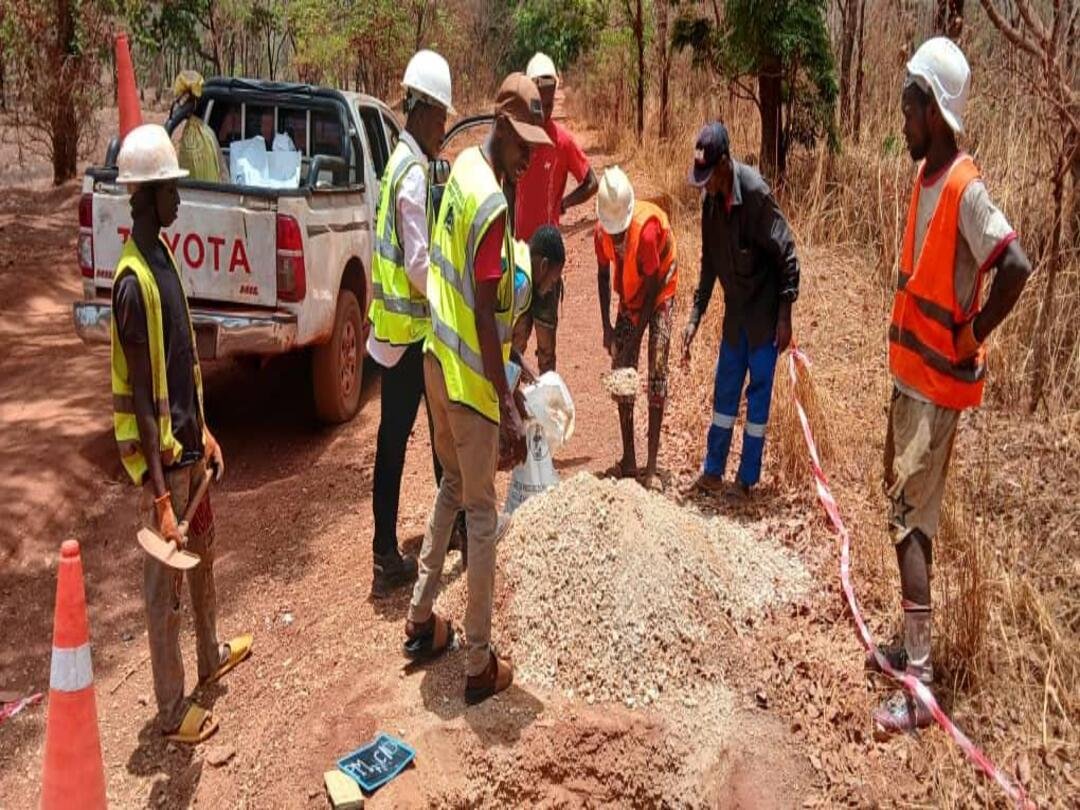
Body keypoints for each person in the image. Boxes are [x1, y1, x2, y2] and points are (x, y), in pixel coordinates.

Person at [870, 38, 1031, 733]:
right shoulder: (926, 175)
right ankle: (909, 649)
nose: (901, 119)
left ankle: (922, 684)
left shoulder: (965, 188)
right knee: (904, 511)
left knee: (911, 526)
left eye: (908, 106)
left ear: (931, 108)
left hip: (937, 388)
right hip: (912, 378)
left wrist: (973, 335)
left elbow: (1016, 264)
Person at [403, 74, 552, 704]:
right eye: (525, 146)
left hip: (435, 362)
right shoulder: (492, 208)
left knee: (452, 488)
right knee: (484, 516)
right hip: (467, 379)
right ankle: (478, 665)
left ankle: (417, 621)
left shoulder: (464, 168)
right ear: (503, 129)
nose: (530, 157)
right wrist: (510, 408)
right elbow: (491, 324)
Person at [111, 124, 252, 745]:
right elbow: (143, 400)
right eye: (170, 187)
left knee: (205, 557)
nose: (178, 197)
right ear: (143, 194)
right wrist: (163, 500)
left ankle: (210, 654)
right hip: (164, 465)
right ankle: (171, 711)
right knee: (162, 587)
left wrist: (208, 429)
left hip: (192, 444)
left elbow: (180, 364)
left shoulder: (162, 257)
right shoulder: (130, 284)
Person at [367, 49, 459, 598]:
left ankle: (447, 527)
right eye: (443, 117)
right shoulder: (411, 176)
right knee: (412, 439)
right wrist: (453, 300)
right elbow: (419, 264)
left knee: (420, 436)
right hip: (409, 336)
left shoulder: (399, 163)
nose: (445, 128)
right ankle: (385, 555)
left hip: (395, 333)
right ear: (424, 111)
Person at [681, 122, 800, 497]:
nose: (706, 186)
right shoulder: (710, 205)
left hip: (765, 318)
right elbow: (708, 265)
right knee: (725, 393)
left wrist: (785, 317)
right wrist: (694, 318)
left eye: (709, 177)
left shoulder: (755, 193)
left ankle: (746, 481)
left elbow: (787, 256)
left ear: (725, 164)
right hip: (735, 316)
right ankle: (713, 471)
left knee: (758, 397)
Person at [511, 52, 598, 375]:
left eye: (549, 105)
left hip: (546, 263)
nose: (545, 112)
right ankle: (511, 413)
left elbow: (591, 182)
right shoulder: (516, 138)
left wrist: (563, 204)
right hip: (519, 257)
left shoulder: (561, 141)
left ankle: (546, 410)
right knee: (514, 342)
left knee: (546, 348)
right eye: (540, 105)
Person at [594, 167, 678, 491]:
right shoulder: (601, 233)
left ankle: (652, 467)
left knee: (657, 369)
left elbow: (654, 283)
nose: (615, 239)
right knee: (620, 368)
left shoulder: (646, 232)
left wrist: (637, 335)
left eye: (619, 233)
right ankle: (629, 459)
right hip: (631, 295)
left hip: (660, 291)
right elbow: (603, 276)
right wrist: (607, 327)